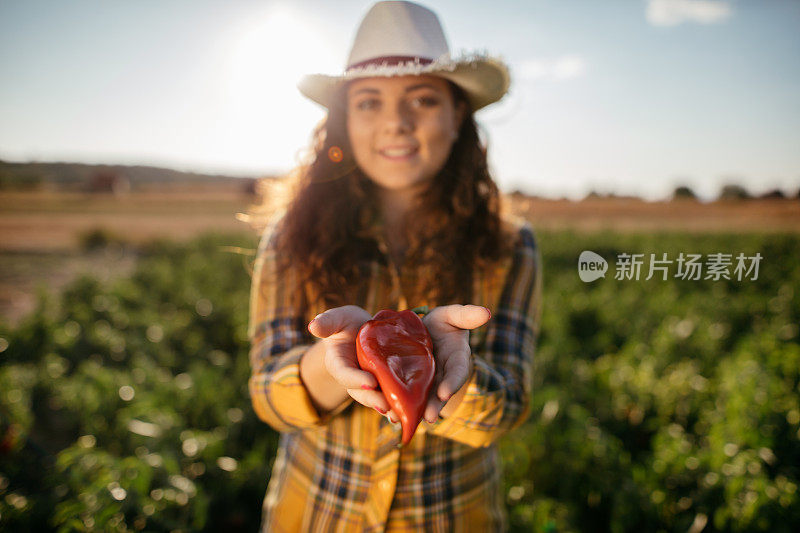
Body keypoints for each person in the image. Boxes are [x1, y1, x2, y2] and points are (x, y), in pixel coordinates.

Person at [247, 1, 542, 530]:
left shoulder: (510, 245)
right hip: (315, 514)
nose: (396, 123)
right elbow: (270, 398)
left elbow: (511, 405)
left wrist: (460, 378)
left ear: (459, 119)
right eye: (368, 103)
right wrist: (335, 363)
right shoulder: (290, 238)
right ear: (343, 122)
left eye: (424, 99)